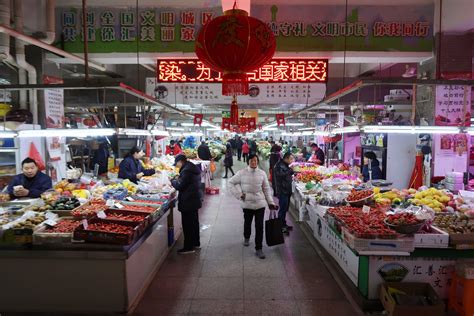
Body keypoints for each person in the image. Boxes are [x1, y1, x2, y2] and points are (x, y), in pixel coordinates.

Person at [228, 154, 278, 259]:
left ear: (258, 161)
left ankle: (258, 248)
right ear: (248, 162)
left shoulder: (262, 173)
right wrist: (239, 194)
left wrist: (270, 202)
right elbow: (230, 183)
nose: (254, 163)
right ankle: (246, 237)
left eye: (255, 161)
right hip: (247, 204)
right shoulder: (241, 173)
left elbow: (266, 189)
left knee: (259, 226)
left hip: (260, 204)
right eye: (251, 161)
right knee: (247, 223)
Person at [171, 154, 202, 254]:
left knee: (187, 225)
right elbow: (186, 182)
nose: (177, 166)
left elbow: (180, 186)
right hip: (193, 200)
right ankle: (195, 243)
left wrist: (173, 181)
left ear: (180, 162)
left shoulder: (187, 171)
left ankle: (188, 247)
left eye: (177, 164)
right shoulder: (191, 167)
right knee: (194, 223)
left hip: (188, 202)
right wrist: (179, 177)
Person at [274, 152, 295, 234]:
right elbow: (280, 175)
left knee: (285, 209)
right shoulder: (279, 165)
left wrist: (291, 171)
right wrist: (290, 171)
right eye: (291, 158)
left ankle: (283, 224)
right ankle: (281, 227)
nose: (292, 160)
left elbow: (286, 175)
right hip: (283, 191)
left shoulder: (284, 165)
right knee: (282, 210)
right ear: (286, 158)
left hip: (286, 190)